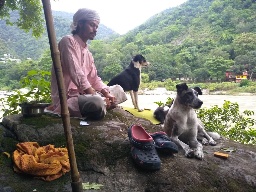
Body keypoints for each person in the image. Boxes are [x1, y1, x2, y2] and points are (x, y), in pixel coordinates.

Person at [47, 8, 126, 120]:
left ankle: (102, 105)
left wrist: (106, 93)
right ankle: (100, 106)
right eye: (92, 25)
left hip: (85, 96)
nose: (95, 30)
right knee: (96, 102)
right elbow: (77, 73)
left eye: (96, 26)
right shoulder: (68, 41)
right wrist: (96, 95)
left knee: (118, 90)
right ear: (79, 24)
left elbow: (94, 78)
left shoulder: (87, 52)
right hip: (69, 99)